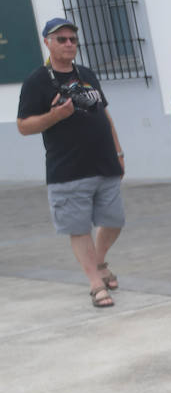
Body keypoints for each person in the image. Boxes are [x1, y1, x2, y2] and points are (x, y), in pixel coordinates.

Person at [16, 17, 126, 309]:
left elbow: (104, 115)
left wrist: (118, 151)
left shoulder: (87, 73)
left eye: (72, 39)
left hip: (104, 163)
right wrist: (55, 116)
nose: (68, 44)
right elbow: (24, 126)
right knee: (78, 228)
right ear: (47, 42)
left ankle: (99, 262)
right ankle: (95, 284)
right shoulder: (37, 81)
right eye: (61, 39)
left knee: (115, 221)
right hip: (67, 169)